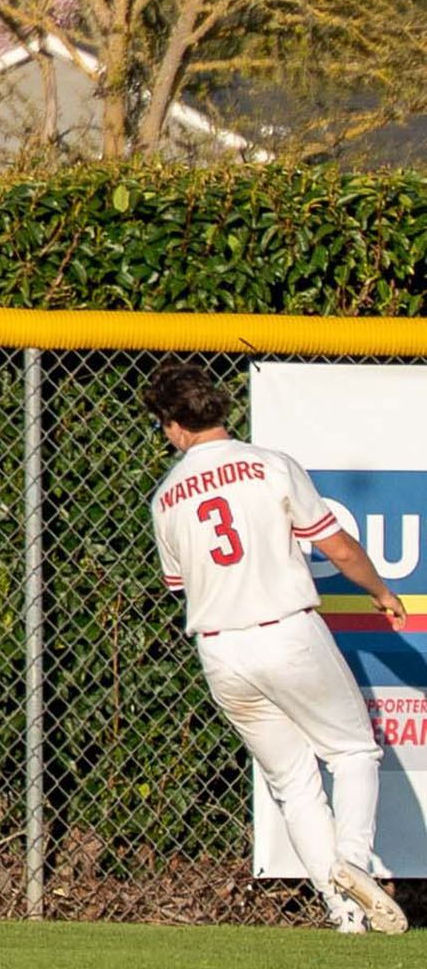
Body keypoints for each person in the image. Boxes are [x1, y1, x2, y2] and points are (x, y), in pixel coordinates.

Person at [142, 359, 407, 935]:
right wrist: (380, 591)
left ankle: (343, 913)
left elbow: (179, 583)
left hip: (221, 650)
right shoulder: (269, 465)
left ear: (174, 425)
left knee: (292, 783)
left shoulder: (166, 498)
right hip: (285, 629)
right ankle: (352, 864)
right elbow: (338, 548)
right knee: (352, 752)